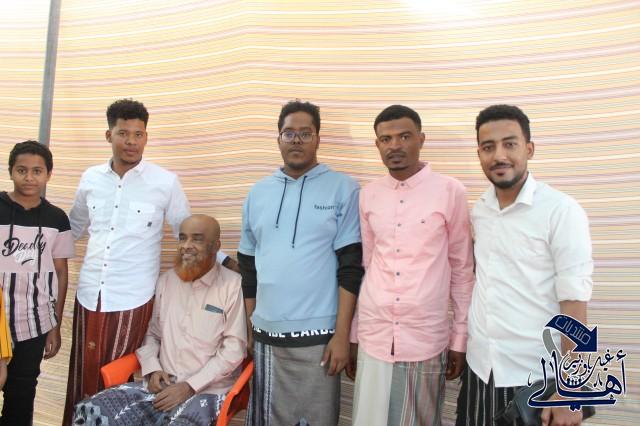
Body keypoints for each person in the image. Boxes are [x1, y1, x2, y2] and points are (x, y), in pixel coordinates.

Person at [456, 105, 593, 426]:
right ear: (479, 154)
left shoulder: (561, 211)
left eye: (510, 144)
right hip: (480, 370)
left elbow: (574, 304)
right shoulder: (481, 210)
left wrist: (573, 390)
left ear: (529, 149)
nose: (499, 155)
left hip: (535, 378)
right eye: (488, 147)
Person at [62, 98, 193, 423]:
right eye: (123, 133)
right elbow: (71, 229)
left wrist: (225, 262)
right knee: (82, 377)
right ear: (109, 135)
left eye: (138, 134)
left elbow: (188, 234)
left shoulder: (165, 182)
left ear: (146, 137)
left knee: (120, 384)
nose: (131, 141)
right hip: (89, 295)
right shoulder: (91, 178)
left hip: (133, 300)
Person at [238, 100, 363, 425]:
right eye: (289, 133)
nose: (296, 140)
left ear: (318, 138)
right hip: (266, 336)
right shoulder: (257, 193)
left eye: (305, 133)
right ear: (278, 138)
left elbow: (351, 267)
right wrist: (250, 325)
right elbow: (248, 267)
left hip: (319, 339)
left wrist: (342, 335)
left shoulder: (344, 188)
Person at [350, 105, 475, 425]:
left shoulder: (450, 191)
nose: (395, 145)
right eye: (386, 139)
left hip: (425, 337)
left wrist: (460, 338)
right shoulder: (368, 195)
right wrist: (353, 335)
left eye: (404, 136)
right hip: (374, 333)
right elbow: (367, 266)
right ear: (377, 145)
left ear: (421, 139)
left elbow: (462, 270)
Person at [73, 214, 247, 425]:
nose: (186, 246)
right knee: (90, 410)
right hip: (163, 385)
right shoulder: (166, 281)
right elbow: (153, 335)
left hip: (207, 391)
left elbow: (234, 349)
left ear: (215, 246)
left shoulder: (233, 285)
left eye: (197, 239)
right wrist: (153, 369)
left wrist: (190, 386)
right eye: (182, 238)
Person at [0, 140, 74, 425]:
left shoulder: (57, 219)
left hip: (33, 323)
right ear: (10, 171)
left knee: (22, 395)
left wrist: (54, 325)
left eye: (37, 171)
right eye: (22, 170)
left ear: (48, 174)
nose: (29, 178)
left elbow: (61, 272)